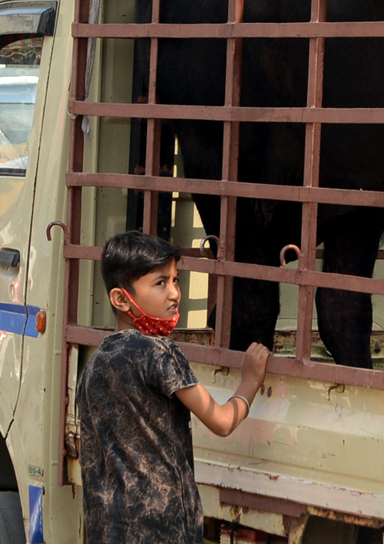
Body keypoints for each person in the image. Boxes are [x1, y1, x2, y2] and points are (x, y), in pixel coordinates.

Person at [77, 230, 271, 544]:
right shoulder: (159, 353)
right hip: (164, 531)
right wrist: (249, 383)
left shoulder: (96, 364)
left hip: (108, 531)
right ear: (120, 298)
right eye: (160, 283)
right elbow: (221, 422)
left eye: (175, 280)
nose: (174, 294)